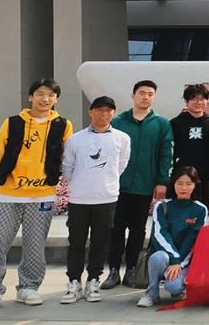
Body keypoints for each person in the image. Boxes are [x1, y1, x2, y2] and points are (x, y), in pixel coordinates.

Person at [0, 79, 74, 311]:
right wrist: (17, 179)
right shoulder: (12, 122)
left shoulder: (63, 125)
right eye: (40, 94)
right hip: (9, 195)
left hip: (43, 195)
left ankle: (28, 287)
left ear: (56, 99)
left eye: (51, 95)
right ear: (31, 97)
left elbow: (65, 155)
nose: (45, 99)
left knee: (35, 245)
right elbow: (1, 154)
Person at [59, 95, 131, 305]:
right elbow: (67, 167)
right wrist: (80, 184)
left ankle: (93, 281)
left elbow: (122, 164)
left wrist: (105, 182)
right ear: (91, 111)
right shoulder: (76, 139)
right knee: (76, 243)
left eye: (108, 110)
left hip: (106, 198)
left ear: (113, 113)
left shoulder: (122, 138)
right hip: (79, 199)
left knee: (100, 243)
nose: (104, 114)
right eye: (99, 109)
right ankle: (74, 282)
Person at [103, 80, 173, 290]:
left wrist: (162, 181)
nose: (146, 97)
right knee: (115, 229)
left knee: (137, 229)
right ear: (133, 96)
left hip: (144, 186)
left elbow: (166, 154)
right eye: (142, 93)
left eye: (150, 94)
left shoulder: (161, 123)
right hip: (118, 186)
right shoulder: (118, 121)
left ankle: (132, 269)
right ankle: (113, 270)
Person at [137, 166, 208, 308]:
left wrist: (179, 263)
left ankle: (178, 289)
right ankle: (151, 293)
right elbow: (159, 234)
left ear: (195, 185)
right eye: (179, 183)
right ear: (173, 184)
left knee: (173, 287)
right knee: (158, 257)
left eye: (188, 184)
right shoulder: (161, 206)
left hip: (184, 260)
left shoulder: (201, 209)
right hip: (166, 256)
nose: (183, 188)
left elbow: (194, 240)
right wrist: (174, 258)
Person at [169, 84, 209, 201]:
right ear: (186, 101)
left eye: (202, 99)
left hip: (204, 175)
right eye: (194, 99)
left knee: (201, 206)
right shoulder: (176, 123)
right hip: (180, 176)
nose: (198, 102)